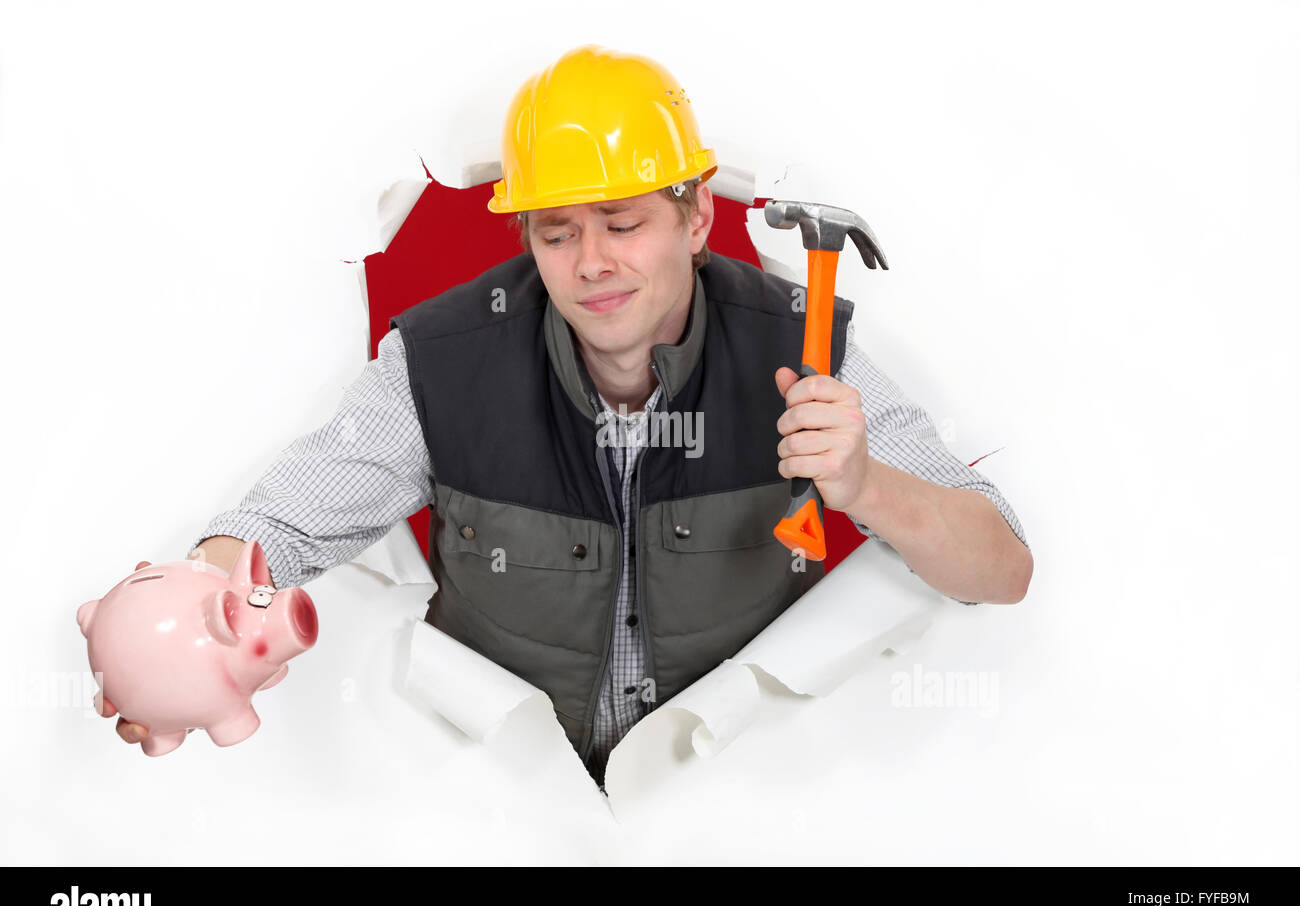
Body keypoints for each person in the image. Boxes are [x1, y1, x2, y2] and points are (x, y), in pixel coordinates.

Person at [105, 45, 1032, 788]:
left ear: (699, 216)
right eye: (556, 230)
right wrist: (188, 619)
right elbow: (279, 523)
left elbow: (1002, 567)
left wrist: (869, 485)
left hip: (729, 802)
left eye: (623, 222)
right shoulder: (443, 361)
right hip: (501, 801)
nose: (590, 261)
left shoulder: (803, 345)